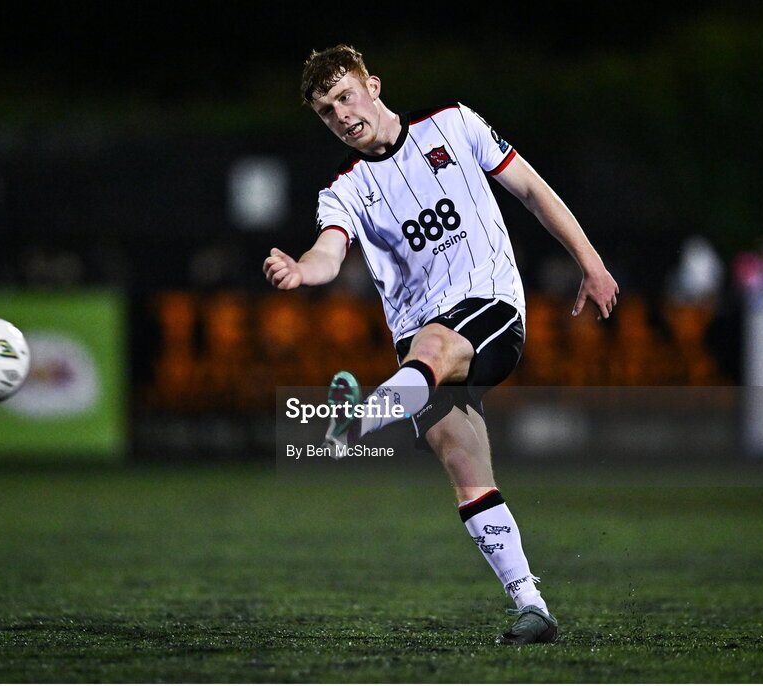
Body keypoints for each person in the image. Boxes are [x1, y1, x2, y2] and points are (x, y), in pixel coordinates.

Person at [263, 45, 618, 645]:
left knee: (432, 345)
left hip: (491, 313)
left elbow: (531, 189)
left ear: (372, 86)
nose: (341, 114)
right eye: (326, 111)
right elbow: (329, 250)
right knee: (463, 462)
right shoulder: (344, 190)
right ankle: (531, 605)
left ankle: (354, 423)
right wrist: (302, 270)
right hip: (420, 353)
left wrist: (591, 263)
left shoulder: (453, 125)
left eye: (346, 96)